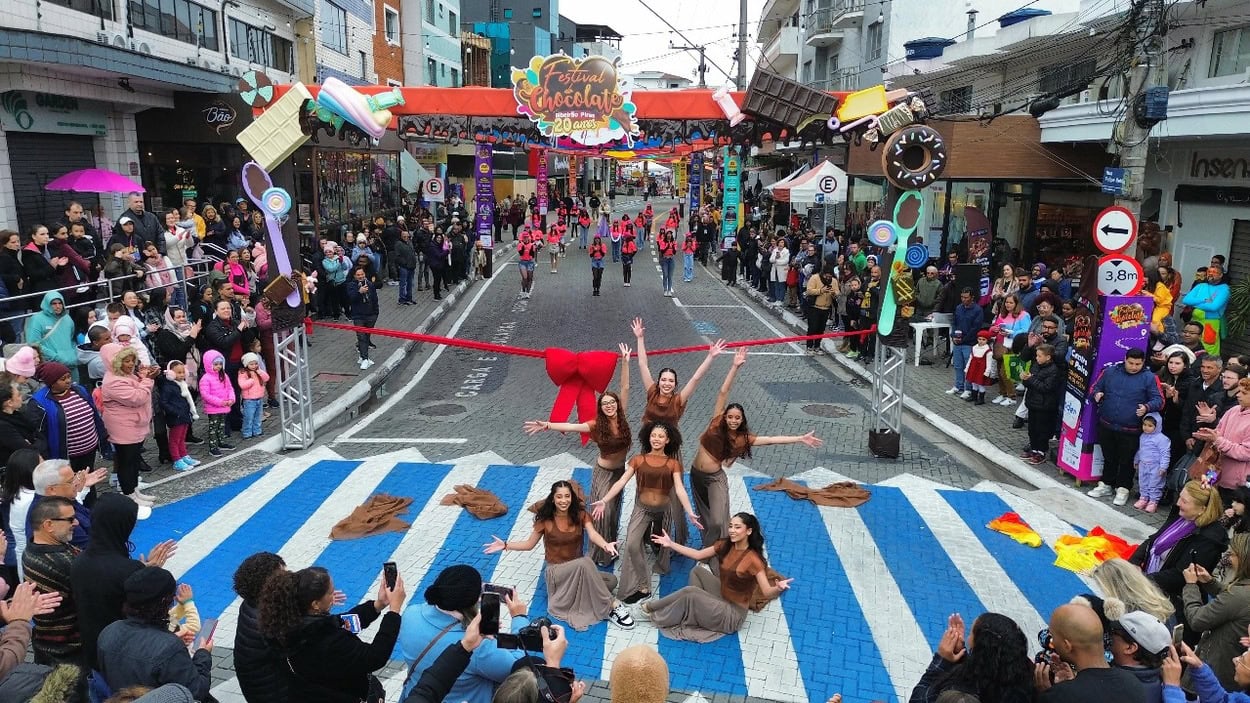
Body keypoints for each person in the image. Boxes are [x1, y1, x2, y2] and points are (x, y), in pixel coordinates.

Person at [690, 348, 822, 550]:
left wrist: (799, 438)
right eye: (730, 416)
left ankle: (715, 550)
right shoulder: (716, 421)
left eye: (737, 418)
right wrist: (734, 366)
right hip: (695, 475)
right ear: (725, 416)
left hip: (714, 478)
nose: (733, 420)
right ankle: (709, 550)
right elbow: (723, 391)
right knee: (704, 516)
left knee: (717, 521)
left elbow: (770, 440)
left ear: (742, 420)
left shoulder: (743, 439)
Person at [524, 344, 631, 565]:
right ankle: (600, 553)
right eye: (605, 404)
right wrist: (547, 425)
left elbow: (625, 386)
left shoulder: (622, 417)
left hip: (620, 471)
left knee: (613, 510)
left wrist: (626, 362)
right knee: (602, 511)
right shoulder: (595, 425)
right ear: (600, 408)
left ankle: (610, 543)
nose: (609, 406)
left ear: (617, 405)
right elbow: (571, 426)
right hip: (603, 473)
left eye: (612, 403)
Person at [483, 481, 634, 630]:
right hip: (557, 572)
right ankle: (612, 606)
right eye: (559, 496)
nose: (563, 500)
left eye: (567, 496)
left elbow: (593, 534)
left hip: (578, 569)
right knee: (586, 562)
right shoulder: (545, 520)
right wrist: (505, 545)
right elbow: (529, 544)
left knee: (611, 581)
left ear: (572, 498)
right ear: (553, 498)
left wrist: (605, 544)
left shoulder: (581, 515)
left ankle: (582, 596)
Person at [261, 565, 405, 703]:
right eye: (330, 593)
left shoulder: (287, 623)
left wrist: (378, 605)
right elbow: (375, 657)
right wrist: (394, 611)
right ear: (315, 604)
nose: (333, 595)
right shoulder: (329, 641)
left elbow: (342, 622)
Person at [592, 421, 701, 604]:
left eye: (661, 436)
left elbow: (680, 489)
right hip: (642, 509)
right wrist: (604, 500)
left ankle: (658, 553)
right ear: (648, 438)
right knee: (632, 544)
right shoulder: (637, 459)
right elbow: (621, 482)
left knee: (659, 543)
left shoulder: (673, 463)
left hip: (664, 511)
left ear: (667, 440)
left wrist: (689, 511)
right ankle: (643, 586)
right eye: (653, 435)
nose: (656, 439)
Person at [638, 513, 791, 642]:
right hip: (722, 596)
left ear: (749, 531)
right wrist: (671, 544)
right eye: (730, 526)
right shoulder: (726, 545)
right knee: (697, 572)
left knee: (690, 592)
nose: (732, 530)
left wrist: (777, 588)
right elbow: (698, 555)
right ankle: (697, 610)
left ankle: (649, 609)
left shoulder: (753, 560)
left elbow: (767, 591)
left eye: (737, 527)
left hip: (732, 615)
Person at [72, 494, 175, 675]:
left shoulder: (79, 561)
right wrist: (148, 574)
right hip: (124, 656)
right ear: (121, 526)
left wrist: (142, 569)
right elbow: (148, 611)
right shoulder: (128, 570)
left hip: (92, 650)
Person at [397, 564, 528, 703]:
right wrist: (519, 618)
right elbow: (518, 668)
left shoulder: (410, 614)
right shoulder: (477, 645)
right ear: (475, 601)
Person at [1129, 480, 1227, 643]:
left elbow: (1180, 576)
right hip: (1153, 587)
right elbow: (1153, 540)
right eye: (1180, 497)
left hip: (1172, 604)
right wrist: (1134, 561)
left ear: (1202, 509)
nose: (1178, 503)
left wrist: (1142, 581)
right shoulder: (1181, 517)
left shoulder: (1209, 539)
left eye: (1184, 501)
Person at [96, 567, 212, 699]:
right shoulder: (170, 648)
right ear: (164, 601)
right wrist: (203, 654)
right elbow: (195, 691)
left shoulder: (109, 632)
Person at [1088, 349, 1164, 506]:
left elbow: (1159, 400)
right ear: (1125, 359)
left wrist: (1147, 407)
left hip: (1131, 428)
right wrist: (1097, 394)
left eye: (1138, 364)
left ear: (1143, 362)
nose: (1134, 367)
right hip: (1106, 423)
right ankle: (1106, 484)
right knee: (1108, 456)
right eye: (1131, 363)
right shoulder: (1110, 372)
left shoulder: (1149, 377)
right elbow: (1094, 388)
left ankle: (1123, 489)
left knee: (1127, 460)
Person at [1177, 533, 1250, 689]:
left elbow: (1197, 620)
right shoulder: (1242, 592)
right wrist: (1210, 582)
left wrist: (1191, 585)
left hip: (1213, 673)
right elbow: (1234, 604)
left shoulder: (1239, 595)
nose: (1228, 558)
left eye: (1233, 554)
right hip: (1230, 673)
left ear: (1244, 560)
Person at [908, 613, 1033, 703]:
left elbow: (918, 699)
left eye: (971, 634)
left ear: (981, 647)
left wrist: (942, 660)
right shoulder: (1026, 683)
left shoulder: (958, 693)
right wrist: (961, 655)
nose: (967, 639)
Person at [1034, 604, 1146, 703]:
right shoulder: (1133, 682)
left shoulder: (1060, 696)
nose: (1052, 642)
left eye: (1053, 637)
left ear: (1067, 646)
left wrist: (1047, 694)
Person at [23, 494, 83, 665]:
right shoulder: (64, 562)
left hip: (45, 643)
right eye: (70, 519)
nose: (76, 523)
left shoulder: (32, 547)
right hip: (70, 652)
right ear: (48, 525)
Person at [100, 345, 157, 507]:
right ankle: (129, 494)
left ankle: (134, 490)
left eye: (132, 360)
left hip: (133, 424)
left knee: (133, 460)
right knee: (127, 462)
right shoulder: (113, 381)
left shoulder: (125, 375)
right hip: (123, 427)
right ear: (116, 362)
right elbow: (137, 397)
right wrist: (148, 379)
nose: (131, 364)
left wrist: (143, 377)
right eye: (126, 361)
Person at [232, 552, 288, 702]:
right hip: (274, 691)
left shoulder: (251, 604)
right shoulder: (267, 621)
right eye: (282, 576)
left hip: (258, 686)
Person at [1193, 377, 1250, 503]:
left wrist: (1218, 440)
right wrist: (1208, 435)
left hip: (1234, 483)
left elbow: (1246, 452)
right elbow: (1219, 430)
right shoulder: (1233, 410)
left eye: (1244, 393)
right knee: (1204, 507)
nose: (1238, 395)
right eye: (1239, 391)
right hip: (1213, 473)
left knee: (1224, 511)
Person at [1104, 607, 1170, 703]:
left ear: (1130, 648)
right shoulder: (1157, 682)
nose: (1110, 636)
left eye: (1113, 632)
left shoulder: (1118, 690)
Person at [1021, 343, 1062, 464]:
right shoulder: (1035, 366)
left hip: (1045, 405)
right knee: (1032, 429)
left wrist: (1031, 379)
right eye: (1036, 355)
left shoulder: (1054, 370)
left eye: (1039, 356)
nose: (1037, 358)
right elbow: (1029, 383)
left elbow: (1046, 387)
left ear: (1048, 357)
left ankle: (1041, 452)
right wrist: (1025, 379)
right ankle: (1033, 449)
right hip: (1032, 402)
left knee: (1042, 430)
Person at [990, 293, 1031, 406]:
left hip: (1014, 345)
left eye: (1011, 302)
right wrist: (994, 329)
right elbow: (994, 328)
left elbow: (1026, 330)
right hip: (1000, 345)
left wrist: (1012, 333)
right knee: (999, 371)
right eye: (1006, 302)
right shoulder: (1002, 314)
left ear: (1016, 303)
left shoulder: (1023, 315)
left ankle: (1011, 396)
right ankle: (1003, 394)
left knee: (1005, 372)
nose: (1008, 305)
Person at [157, 361, 198, 472]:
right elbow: (163, 402)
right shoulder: (168, 387)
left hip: (184, 416)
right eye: (179, 372)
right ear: (170, 373)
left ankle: (183, 455)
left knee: (182, 438)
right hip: (176, 417)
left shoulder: (182, 385)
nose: (182, 375)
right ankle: (177, 459)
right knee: (175, 440)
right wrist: (176, 412)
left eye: (183, 372)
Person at [1182, 265, 1230, 357]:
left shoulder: (1224, 289)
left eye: (1214, 272)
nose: (1211, 274)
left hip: (1210, 323)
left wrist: (1195, 302)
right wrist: (1204, 300)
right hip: (1195, 322)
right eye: (1209, 272)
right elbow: (1186, 300)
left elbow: (1213, 307)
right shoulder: (1200, 286)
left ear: (1221, 275)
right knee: (1191, 345)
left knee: (1208, 349)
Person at [1133, 413, 1170, 512]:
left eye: (1150, 426)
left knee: (1154, 484)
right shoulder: (1143, 436)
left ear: (1157, 426)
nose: (1146, 427)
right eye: (1144, 424)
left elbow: (1165, 454)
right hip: (1143, 464)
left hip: (1155, 466)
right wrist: (1137, 460)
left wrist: (1163, 467)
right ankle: (1143, 498)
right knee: (1143, 482)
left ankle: (1153, 501)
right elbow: (1141, 450)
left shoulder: (1162, 439)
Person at [346, 267, 379, 371]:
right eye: (358, 275)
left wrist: (376, 312)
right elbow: (351, 299)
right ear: (354, 276)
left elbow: (375, 298)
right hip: (358, 315)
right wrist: (359, 292)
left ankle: (362, 355)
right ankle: (365, 358)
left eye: (362, 274)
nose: (360, 276)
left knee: (366, 337)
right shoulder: (351, 285)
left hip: (371, 315)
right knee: (361, 336)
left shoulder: (369, 284)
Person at [805, 267, 838, 354]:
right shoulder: (815, 278)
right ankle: (809, 346)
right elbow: (809, 291)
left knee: (821, 329)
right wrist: (821, 291)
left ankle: (817, 346)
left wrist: (833, 293)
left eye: (830, 276)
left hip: (826, 308)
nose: (828, 278)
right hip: (814, 307)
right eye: (826, 276)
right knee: (812, 328)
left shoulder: (834, 281)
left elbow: (837, 293)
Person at [237, 352, 269, 439]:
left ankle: (257, 431)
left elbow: (266, 378)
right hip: (249, 400)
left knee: (258, 416)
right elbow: (242, 385)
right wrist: (251, 381)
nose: (254, 366)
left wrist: (260, 372)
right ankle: (247, 432)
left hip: (259, 398)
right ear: (246, 364)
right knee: (248, 417)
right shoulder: (243, 373)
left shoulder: (258, 371)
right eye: (251, 364)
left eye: (255, 363)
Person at [516, 231, 537, 298]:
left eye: (527, 237)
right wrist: (523, 246)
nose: (526, 239)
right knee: (525, 278)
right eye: (524, 237)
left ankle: (527, 292)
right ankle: (523, 291)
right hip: (523, 262)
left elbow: (532, 255)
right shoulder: (520, 245)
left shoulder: (532, 245)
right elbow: (521, 253)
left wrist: (532, 247)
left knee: (530, 278)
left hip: (530, 262)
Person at [658, 231, 677, 296]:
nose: (669, 235)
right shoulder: (663, 242)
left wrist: (672, 246)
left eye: (670, 234)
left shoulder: (673, 242)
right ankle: (665, 290)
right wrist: (667, 246)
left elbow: (674, 252)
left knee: (670, 276)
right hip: (665, 259)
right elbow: (662, 251)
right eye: (668, 234)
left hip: (671, 259)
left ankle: (669, 290)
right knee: (665, 275)